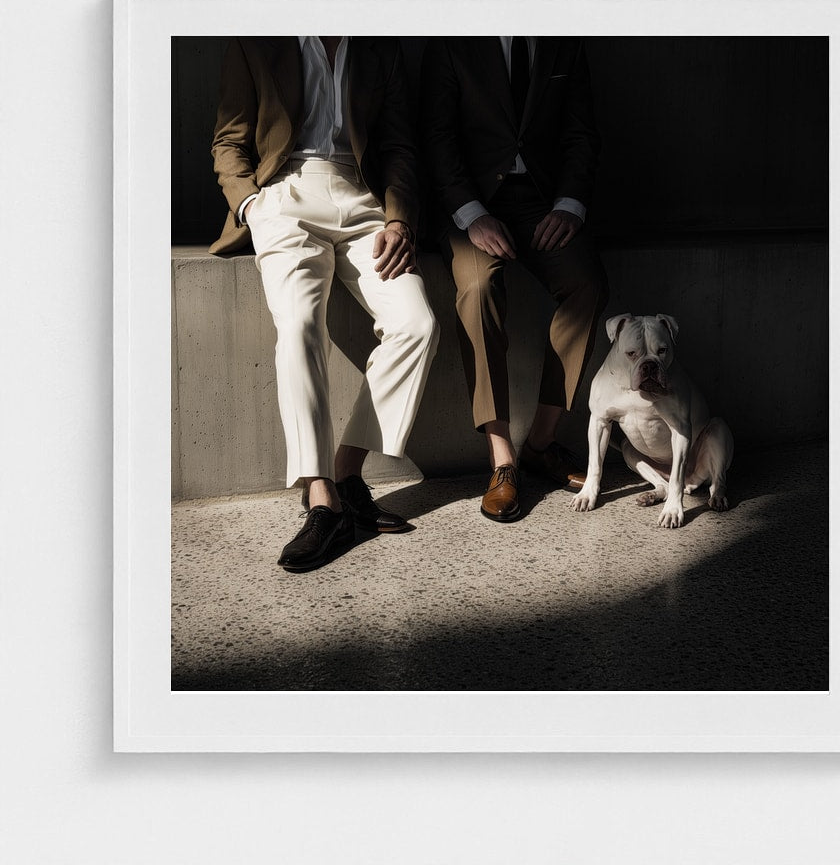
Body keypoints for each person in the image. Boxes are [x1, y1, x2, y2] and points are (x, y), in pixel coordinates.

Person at [211, 36, 439, 572]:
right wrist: (250, 203)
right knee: (298, 327)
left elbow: (399, 144)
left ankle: (344, 470)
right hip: (284, 195)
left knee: (417, 323)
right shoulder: (257, 38)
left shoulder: (378, 47)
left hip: (362, 199)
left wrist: (399, 216)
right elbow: (229, 137)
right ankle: (320, 499)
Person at [420, 36, 608, 522]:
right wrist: (470, 213)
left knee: (587, 286)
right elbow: (436, 137)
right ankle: (502, 460)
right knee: (479, 289)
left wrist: (570, 204)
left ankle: (541, 443)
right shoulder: (452, 42)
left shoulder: (562, 40)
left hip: (544, 202)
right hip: (472, 203)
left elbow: (580, 133)